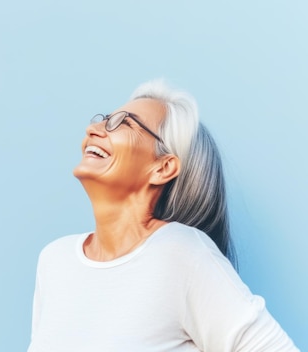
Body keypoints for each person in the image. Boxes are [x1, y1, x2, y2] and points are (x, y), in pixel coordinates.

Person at [27, 80, 299, 351]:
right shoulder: (54, 260)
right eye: (105, 118)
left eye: (124, 123)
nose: (93, 129)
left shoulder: (181, 253)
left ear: (163, 168)